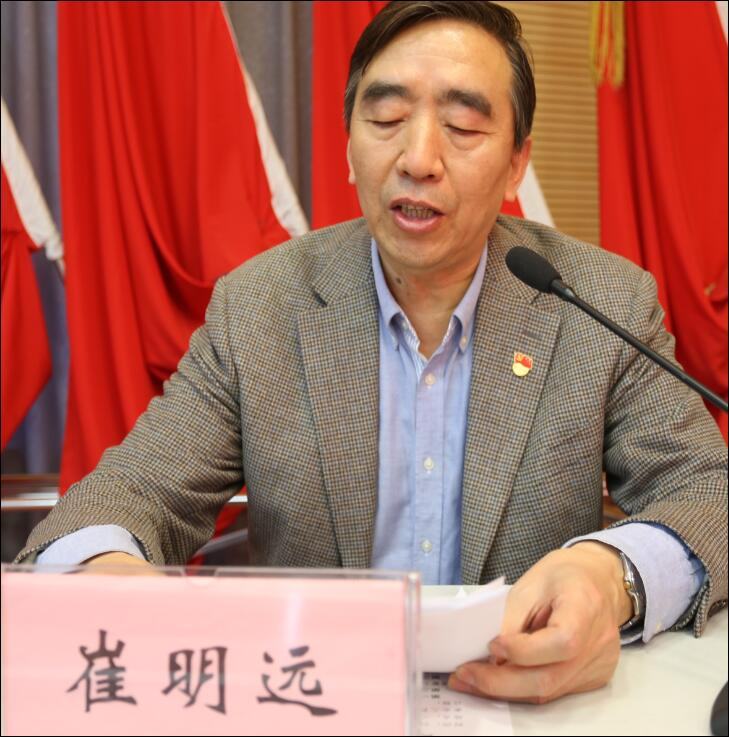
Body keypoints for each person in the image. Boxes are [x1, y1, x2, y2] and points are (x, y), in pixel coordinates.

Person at [16, 0, 727, 705]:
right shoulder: (260, 307)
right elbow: (128, 493)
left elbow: (708, 492)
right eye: (385, 119)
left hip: (527, 701)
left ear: (517, 164)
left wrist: (610, 578)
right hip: (310, 699)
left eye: (462, 127)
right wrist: (107, 571)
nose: (417, 160)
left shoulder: (599, 301)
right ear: (349, 147)